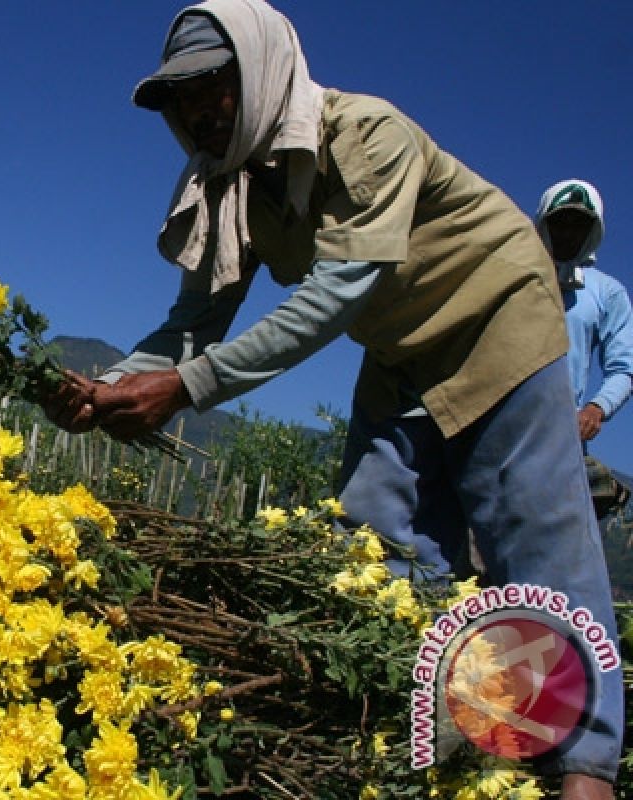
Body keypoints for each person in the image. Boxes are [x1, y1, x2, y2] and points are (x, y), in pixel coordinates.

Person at [40, 1, 623, 794]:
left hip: (497, 318)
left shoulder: (363, 133)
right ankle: (441, 749)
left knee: (537, 542)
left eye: (214, 89)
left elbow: (335, 295)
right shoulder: (230, 186)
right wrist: (101, 388)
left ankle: (584, 771)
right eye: (179, 101)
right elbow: (195, 323)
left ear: (263, 72)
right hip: (402, 354)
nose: (198, 114)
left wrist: (183, 389)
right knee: (377, 544)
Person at [534, 179, 633, 448]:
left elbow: (625, 368)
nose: (568, 234)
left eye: (579, 225)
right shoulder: (513, 275)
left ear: (593, 231)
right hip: (496, 422)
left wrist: (596, 408)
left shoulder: (607, 292)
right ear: (543, 223)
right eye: (560, 222)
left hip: (561, 433)